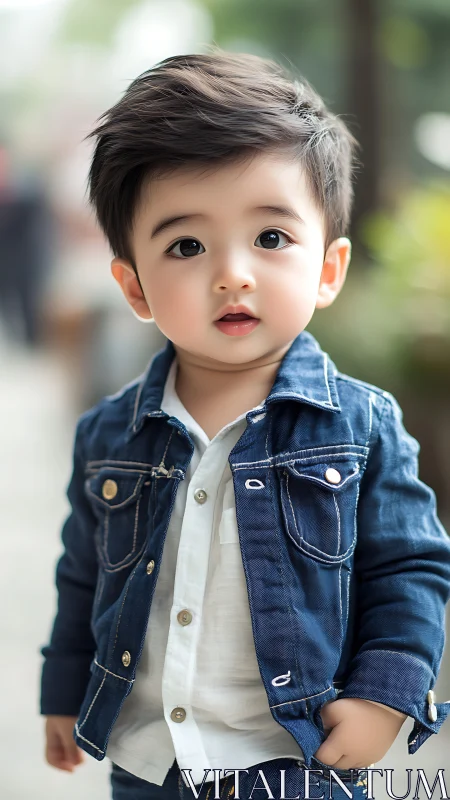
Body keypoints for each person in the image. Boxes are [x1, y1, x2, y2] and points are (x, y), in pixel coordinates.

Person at [40, 50, 450, 800]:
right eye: (187, 246)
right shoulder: (110, 437)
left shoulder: (362, 426)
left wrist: (386, 692)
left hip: (298, 760)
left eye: (270, 238)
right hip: (150, 762)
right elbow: (83, 576)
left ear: (328, 268)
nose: (233, 273)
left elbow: (409, 569)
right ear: (134, 286)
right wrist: (63, 690)